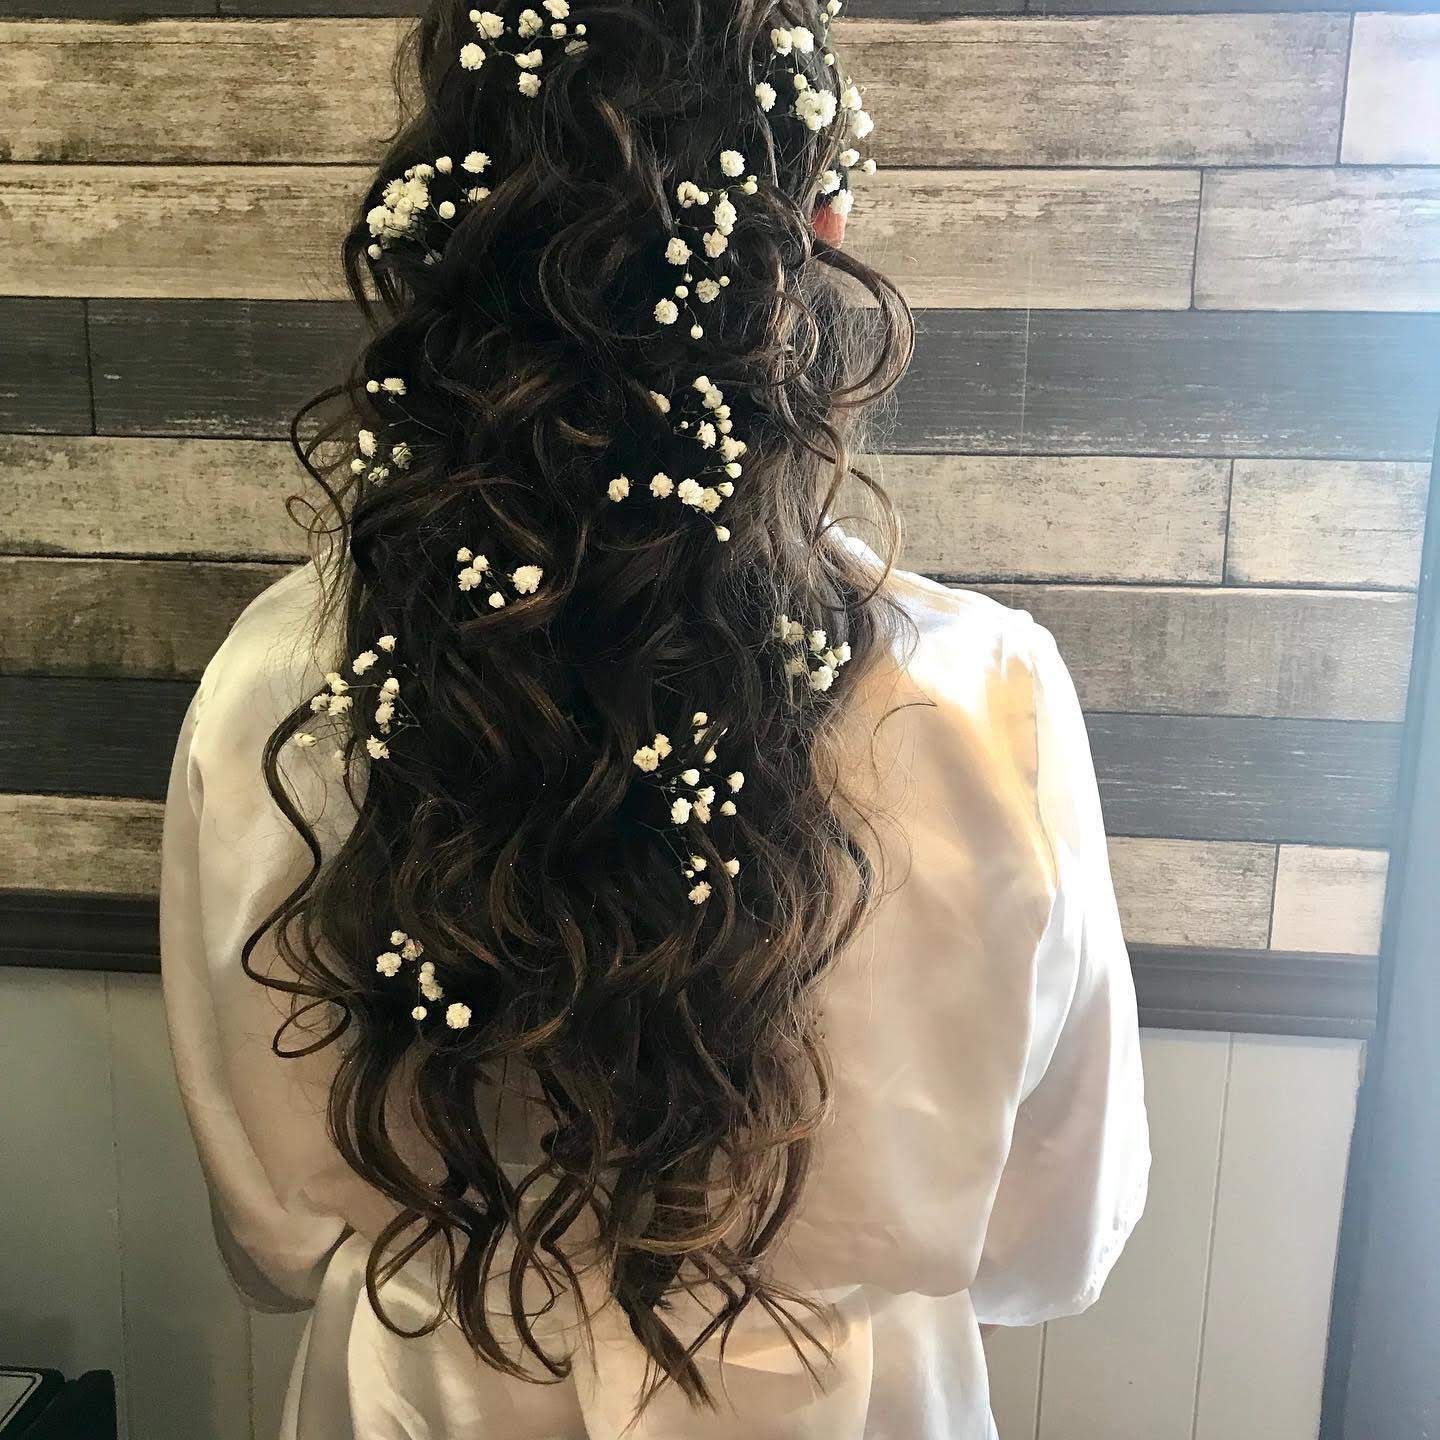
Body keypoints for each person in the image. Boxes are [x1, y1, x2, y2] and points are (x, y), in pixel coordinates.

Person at [160, 1, 1150, 1435]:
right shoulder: (980, 703)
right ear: (815, 235)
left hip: (426, 1394)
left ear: (459, 239)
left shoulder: (283, 679)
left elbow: (272, 1225)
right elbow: (1053, 1238)